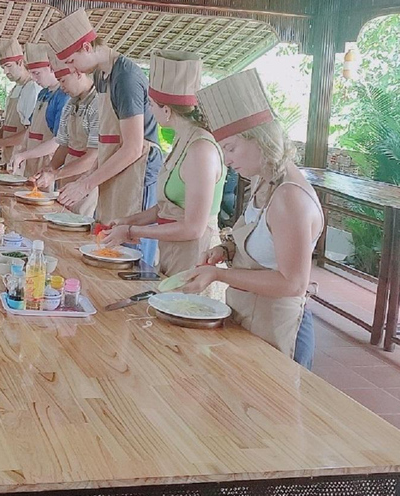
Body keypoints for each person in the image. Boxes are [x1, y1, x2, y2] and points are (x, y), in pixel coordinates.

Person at [177, 69, 324, 369]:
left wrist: (219, 275)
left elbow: (293, 283)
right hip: (249, 316)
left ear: (260, 140)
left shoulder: (290, 198)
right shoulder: (262, 180)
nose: (227, 160)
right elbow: (261, 244)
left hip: (278, 327)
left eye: (230, 148)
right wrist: (226, 250)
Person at [42, 9, 164, 265]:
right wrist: (87, 178)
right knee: (107, 236)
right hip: (113, 164)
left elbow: (133, 148)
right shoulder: (101, 74)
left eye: (73, 62)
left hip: (137, 170)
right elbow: (107, 136)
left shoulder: (126, 76)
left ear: (87, 47)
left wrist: (86, 184)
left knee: (131, 251)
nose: (74, 70)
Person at [101, 51, 226, 285]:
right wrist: (131, 220)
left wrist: (132, 232)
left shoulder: (201, 150)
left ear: (166, 110)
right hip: (172, 253)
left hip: (195, 257)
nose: (149, 109)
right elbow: (169, 207)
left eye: (150, 104)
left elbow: (193, 228)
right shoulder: (181, 139)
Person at [30, 52, 99, 218]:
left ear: (78, 73)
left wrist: (55, 174)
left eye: (63, 81)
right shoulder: (70, 104)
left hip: (87, 179)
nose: (61, 87)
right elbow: (64, 144)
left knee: (78, 225)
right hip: (68, 174)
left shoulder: (97, 103)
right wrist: (50, 167)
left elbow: (92, 158)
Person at [10, 43, 69, 177]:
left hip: (48, 163)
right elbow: (30, 130)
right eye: (32, 74)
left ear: (52, 68)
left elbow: (58, 141)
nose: (34, 79)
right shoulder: (42, 93)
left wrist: (24, 155)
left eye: (37, 74)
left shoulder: (62, 96)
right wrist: (20, 152)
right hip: (31, 160)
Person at [0, 39, 40, 163]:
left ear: (20, 62)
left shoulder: (32, 88)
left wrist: (0, 143)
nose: (5, 72)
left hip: (22, 157)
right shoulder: (15, 88)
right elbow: (11, 126)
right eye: (3, 68)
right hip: (9, 156)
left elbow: (31, 132)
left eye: (8, 66)